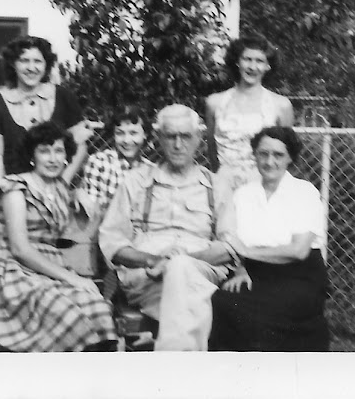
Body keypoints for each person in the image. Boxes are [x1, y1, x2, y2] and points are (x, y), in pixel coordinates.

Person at [99, 104, 235, 351]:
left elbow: (230, 247)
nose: (178, 144)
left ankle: (171, 364)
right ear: (158, 139)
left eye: (185, 136)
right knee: (186, 287)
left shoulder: (217, 186)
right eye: (170, 136)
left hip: (199, 269)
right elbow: (112, 242)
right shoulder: (136, 181)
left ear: (199, 140)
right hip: (146, 276)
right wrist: (152, 260)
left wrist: (181, 259)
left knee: (181, 269)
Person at [0, 121, 118, 352]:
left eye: (58, 151)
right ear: (32, 155)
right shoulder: (15, 188)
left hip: (49, 268)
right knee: (66, 313)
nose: (52, 158)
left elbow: (71, 185)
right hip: (13, 270)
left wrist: (79, 192)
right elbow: (20, 249)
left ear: (65, 156)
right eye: (44, 151)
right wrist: (74, 279)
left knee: (97, 307)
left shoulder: (59, 188)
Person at [209, 126, 330, 352]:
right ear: (254, 155)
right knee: (222, 301)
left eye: (278, 155)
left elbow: (298, 251)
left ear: (290, 158)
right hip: (255, 274)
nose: (269, 161)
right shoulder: (243, 195)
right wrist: (241, 270)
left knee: (261, 313)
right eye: (263, 154)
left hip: (300, 276)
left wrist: (248, 253)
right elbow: (234, 242)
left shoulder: (304, 192)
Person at [0, 35, 92, 183]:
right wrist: (4, 187)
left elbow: (80, 146)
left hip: (54, 190)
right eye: (24, 61)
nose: (31, 68)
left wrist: (62, 183)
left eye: (38, 61)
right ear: (13, 64)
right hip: (12, 188)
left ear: (46, 65)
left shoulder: (64, 96)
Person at [205, 34, 295, 192]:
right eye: (247, 59)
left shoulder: (281, 105)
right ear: (237, 62)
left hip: (264, 186)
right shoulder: (215, 103)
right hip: (224, 186)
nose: (252, 67)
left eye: (260, 61)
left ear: (268, 66)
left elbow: (287, 154)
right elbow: (212, 150)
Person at [75, 104, 153, 223]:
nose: (127, 140)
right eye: (120, 133)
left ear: (145, 135)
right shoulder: (101, 162)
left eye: (133, 133)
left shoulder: (151, 170)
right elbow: (92, 212)